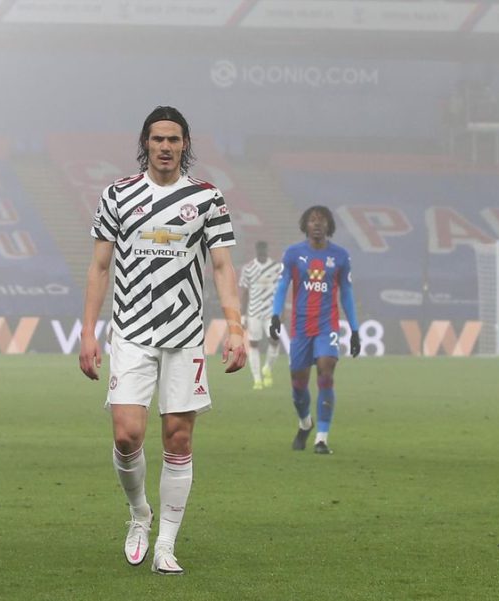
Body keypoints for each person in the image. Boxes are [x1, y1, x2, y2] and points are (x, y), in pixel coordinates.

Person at [78, 106, 247, 575]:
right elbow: (99, 267)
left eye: (174, 139)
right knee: (127, 435)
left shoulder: (207, 198)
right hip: (130, 331)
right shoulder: (117, 195)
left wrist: (235, 327)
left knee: (178, 437)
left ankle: (166, 545)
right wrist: (89, 332)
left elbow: (222, 267)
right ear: (145, 144)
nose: (166, 147)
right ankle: (139, 515)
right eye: (158, 139)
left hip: (185, 335)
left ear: (186, 145)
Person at [269, 206, 360, 455]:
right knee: (299, 383)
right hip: (300, 326)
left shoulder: (340, 256)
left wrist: (354, 329)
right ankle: (305, 423)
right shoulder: (293, 254)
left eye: (321, 220)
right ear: (305, 225)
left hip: (326, 325)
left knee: (326, 370)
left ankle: (322, 438)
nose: (317, 224)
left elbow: (347, 294)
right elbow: (282, 285)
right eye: (312, 220)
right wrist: (276, 314)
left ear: (328, 225)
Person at [238, 240, 283, 390]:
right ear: (256, 251)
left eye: (264, 249)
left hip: (271, 312)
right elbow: (244, 293)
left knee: (274, 340)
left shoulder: (276, 268)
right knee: (254, 344)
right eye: (260, 249)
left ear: (267, 250)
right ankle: (257, 379)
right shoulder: (248, 268)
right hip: (254, 312)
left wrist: (281, 310)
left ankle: (268, 368)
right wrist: (242, 315)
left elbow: (281, 291)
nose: (262, 252)